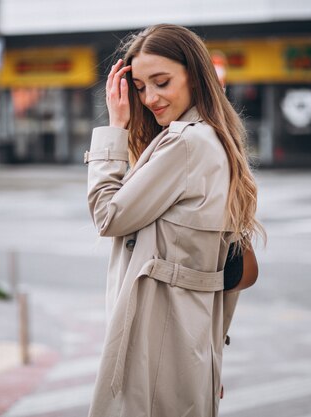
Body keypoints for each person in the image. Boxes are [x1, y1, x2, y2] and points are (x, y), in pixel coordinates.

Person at [85, 24, 264, 417]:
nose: (150, 98)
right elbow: (226, 273)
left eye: (161, 82)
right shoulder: (218, 140)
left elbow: (107, 214)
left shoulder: (185, 143)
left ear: (194, 75)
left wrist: (115, 128)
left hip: (155, 340)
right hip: (190, 341)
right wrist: (213, 353)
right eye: (141, 87)